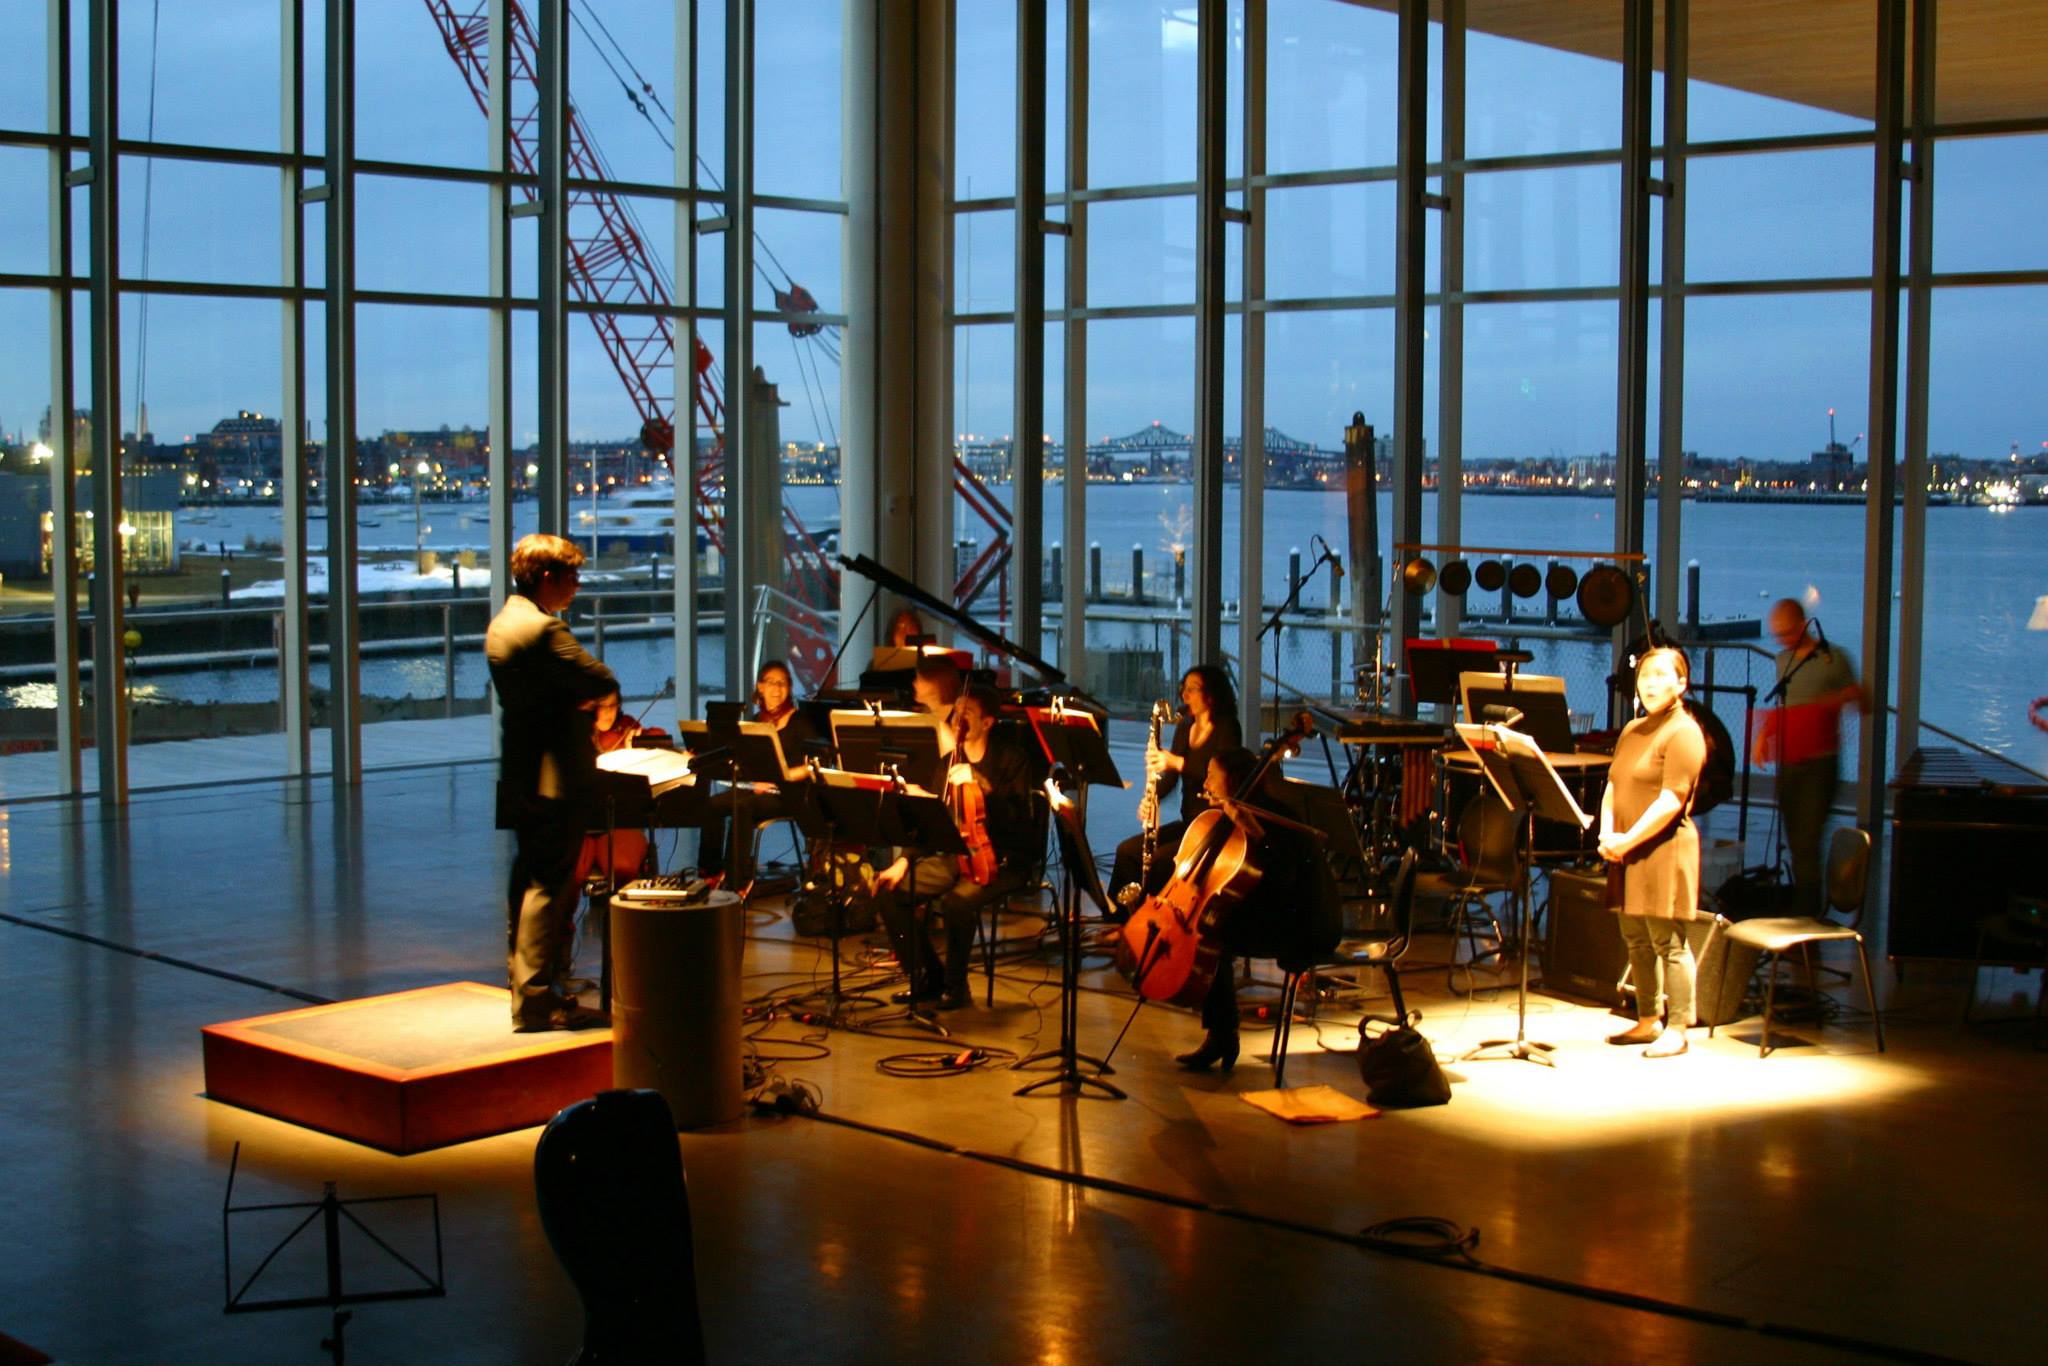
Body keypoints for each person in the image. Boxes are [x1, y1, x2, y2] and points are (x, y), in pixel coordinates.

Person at [487, 533, 618, 1031]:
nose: (577, 586)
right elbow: (600, 680)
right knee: (549, 885)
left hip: (520, 773)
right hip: (556, 779)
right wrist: (583, 700)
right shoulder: (545, 631)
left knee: (524, 881)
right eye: (572, 577)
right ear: (547, 577)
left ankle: (523, 985)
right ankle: (538, 999)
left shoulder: (502, 623)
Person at [874, 685, 1037, 1009]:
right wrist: (905, 861)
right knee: (890, 892)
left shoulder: (1012, 759)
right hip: (957, 856)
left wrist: (982, 786)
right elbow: (934, 823)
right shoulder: (948, 763)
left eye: (968, 714)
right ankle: (926, 976)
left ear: (988, 722)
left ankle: (956, 986)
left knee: (957, 903)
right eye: (956, 713)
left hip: (1002, 860)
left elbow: (1020, 822)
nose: (958, 719)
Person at [1169, 745, 1328, 1072]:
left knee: (1211, 936)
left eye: (1214, 776)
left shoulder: (1276, 818)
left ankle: (1222, 1035)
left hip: (1296, 922)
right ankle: (1221, 1033)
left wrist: (1255, 831)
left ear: (1236, 781)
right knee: (1213, 926)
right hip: (1270, 910)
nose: (1208, 782)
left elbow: (1283, 879)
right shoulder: (1232, 813)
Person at [1600, 646, 1709, 1058]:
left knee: (1669, 941)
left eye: (1661, 675)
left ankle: (1679, 1026)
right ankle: (1648, 1018)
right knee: (1636, 938)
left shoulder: (1684, 732)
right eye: (1645, 676)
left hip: (1663, 847)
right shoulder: (1632, 730)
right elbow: (1613, 785)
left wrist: (1628, 840)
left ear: (1681, 683)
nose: (1650, 683)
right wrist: (1609, 833)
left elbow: (1671, 799)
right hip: (1625, 849)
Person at [1754, 598, 1864, 920]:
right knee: (1795, 837)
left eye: (1786, 633)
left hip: (1820, 762)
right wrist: (1764, 736)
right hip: (1790, 761)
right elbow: (1786, 707)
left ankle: (1807, 914)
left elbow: (1862, 699)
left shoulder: (1833, 658)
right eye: (1777, 635)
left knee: (1808, 839)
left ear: (1803, 625)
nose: (1782, 640)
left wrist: (1839, 699)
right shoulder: (1783, 662)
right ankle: (1804, 907)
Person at [1107, 664, 1244, 914]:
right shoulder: (1185, 727)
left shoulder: (1227, 728)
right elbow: (1171, 778)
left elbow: (1223, 778)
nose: (1184, 696)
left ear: (1211, 695)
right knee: (1127, 851)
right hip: (1190, 822)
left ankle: (1151, 921)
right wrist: (1151, 798)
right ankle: (1116, 918)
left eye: (1192, 689)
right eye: (1184, 688)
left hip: (1214, 827)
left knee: (1161, 861)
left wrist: (1177, 762)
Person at [696, 660, 817, 890]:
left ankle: (737, 882)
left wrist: (780, 777)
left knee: (742, 808)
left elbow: (811, 765)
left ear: (789, 688)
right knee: (713, 804)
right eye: (771, 682)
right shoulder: (754, 722)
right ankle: (711, 871)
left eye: (783, 683)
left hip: (788, 793)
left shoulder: (800, 722)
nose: (777, 689)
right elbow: (744, 762)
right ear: (760, 687)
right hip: (757, 789)